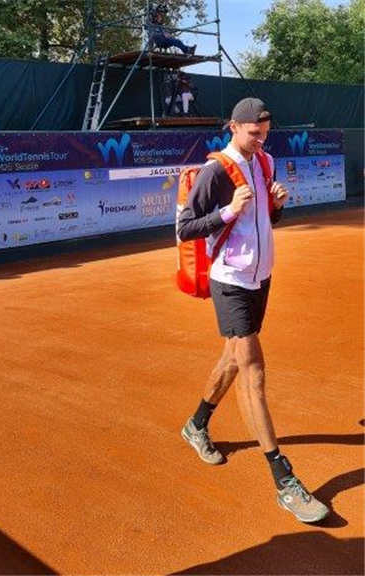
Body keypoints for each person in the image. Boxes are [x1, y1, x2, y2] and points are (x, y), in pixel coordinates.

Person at [177, 97, 330, 524]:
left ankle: (196, 425)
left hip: (260, 277)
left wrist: (276, 204)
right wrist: (228, 210)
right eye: (253, 133)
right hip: (230, 280)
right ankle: (284, 480)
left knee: (233, 357)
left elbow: (268, 221)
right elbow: (186, 227)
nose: (261, 140)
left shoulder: (265, 162)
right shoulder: (214, 172)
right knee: (253, 371)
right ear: (234, 127)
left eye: (264, 133)